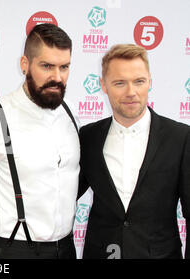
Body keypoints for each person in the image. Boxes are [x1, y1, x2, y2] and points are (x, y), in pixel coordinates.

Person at [0, 23, 80, 259]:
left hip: (66, 249)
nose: (57, 77)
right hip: (16, 250)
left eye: (64, 67)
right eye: (47, 66)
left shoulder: (71, 113)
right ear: (25, 64)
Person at [78, 44, 190, 259]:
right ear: (104, 85)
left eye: (139, 81)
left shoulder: (180, 138)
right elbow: (64, 194)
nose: (131, 92)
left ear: (149, 82)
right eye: (120, 83)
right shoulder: (88, 137)